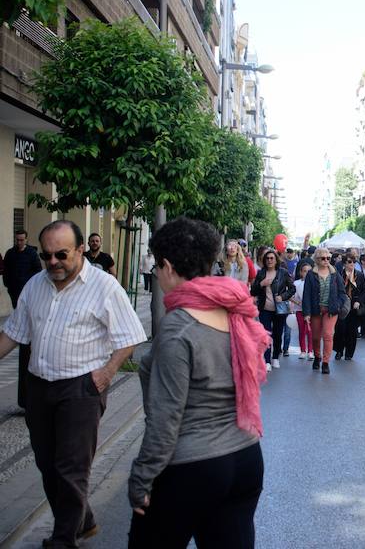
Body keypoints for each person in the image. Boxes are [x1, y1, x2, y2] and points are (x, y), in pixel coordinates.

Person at [0, 220, 146, 548]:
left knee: (71, 466)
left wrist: (107, 373)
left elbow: (130, 337)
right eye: (46, 255)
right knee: (46, 463)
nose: (53, 262)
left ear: (80, 249)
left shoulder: (104, 286)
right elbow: (13, 333)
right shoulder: (35, 286)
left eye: (61, 255)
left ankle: (64, 537)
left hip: (81, 389)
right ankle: (85, 519)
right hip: (39, 386)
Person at [127, 217, 268, 549]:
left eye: (157, 266)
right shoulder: (234, 310)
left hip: (194, 466)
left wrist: (141, 478)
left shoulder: (178, 328)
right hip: (246, 458)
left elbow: (165, 420)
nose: (157, 276)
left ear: (168, 266)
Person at [3, 228, 43, 409]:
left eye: (22, 240)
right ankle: (26, 399)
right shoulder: (11, 254)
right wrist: (11, 289)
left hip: (28, 296)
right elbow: (6, 273)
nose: (19, 242)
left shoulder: (32, 254)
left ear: (26, 239)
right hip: (16, 294)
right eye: (17, 240)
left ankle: (30, 399)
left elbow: (37, 272)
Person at [250, 250, 295, 371]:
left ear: (276, 260)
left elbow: (292, 289)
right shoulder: (261, 273)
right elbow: (253, 291)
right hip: (265, 309)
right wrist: (261, 284)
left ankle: (275, 357)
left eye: (271, 258)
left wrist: (282, 296)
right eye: (267, 259)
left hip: (279, 309)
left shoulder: (283, 273)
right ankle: (267, 360)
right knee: (266, 334)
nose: (269, 260)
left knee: (277, 333)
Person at [301, 247, 343, 374]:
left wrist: (338, 305)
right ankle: (317, 357)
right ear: (317, 259)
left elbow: (342, 292)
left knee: (328, 335)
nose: (326, 261)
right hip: (315, 310)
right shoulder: (311, 274)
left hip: (331, 310)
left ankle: (325, 362)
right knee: (315, 337)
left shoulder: (334, 273)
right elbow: (306, 294)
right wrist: (307, 313)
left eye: (328, 258)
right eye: (323, 258)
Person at [334, 253, 365, 361]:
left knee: (352, 331)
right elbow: (336, 290)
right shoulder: (339, 274)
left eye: (353, 261)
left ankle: (349, 353)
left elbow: (363, 290)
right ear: (344, 263)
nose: (352, 264)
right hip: (343, 306)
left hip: (354, 306)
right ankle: (339, 351)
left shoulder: (359, 275)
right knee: (340, 329)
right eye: (349, 262)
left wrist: (359, 301)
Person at [290, 263, 313, 360]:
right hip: (300, 310)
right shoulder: (296, 283)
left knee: (311, 331)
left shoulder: (314, 283)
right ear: (300, 272)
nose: (306, 273)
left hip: (311, 311)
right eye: (304, 271)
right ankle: (303, 350)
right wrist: (298, 302)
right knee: (302, 331)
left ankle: (311, 351)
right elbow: (290, 296)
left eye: (309, 271)